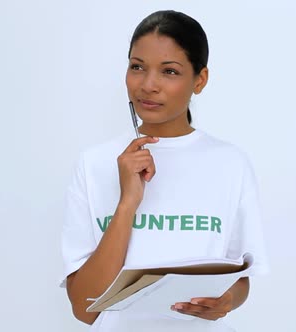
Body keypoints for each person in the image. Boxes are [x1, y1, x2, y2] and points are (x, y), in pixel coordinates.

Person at [60, 10, 269, 331]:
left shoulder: (230, 163)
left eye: (169, 71)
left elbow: (239, 278)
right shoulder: (94, 163)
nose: (148, 85)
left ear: (200, 80)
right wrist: (127, 202)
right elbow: (85, 308)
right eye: (137, 67)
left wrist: (227, 302)